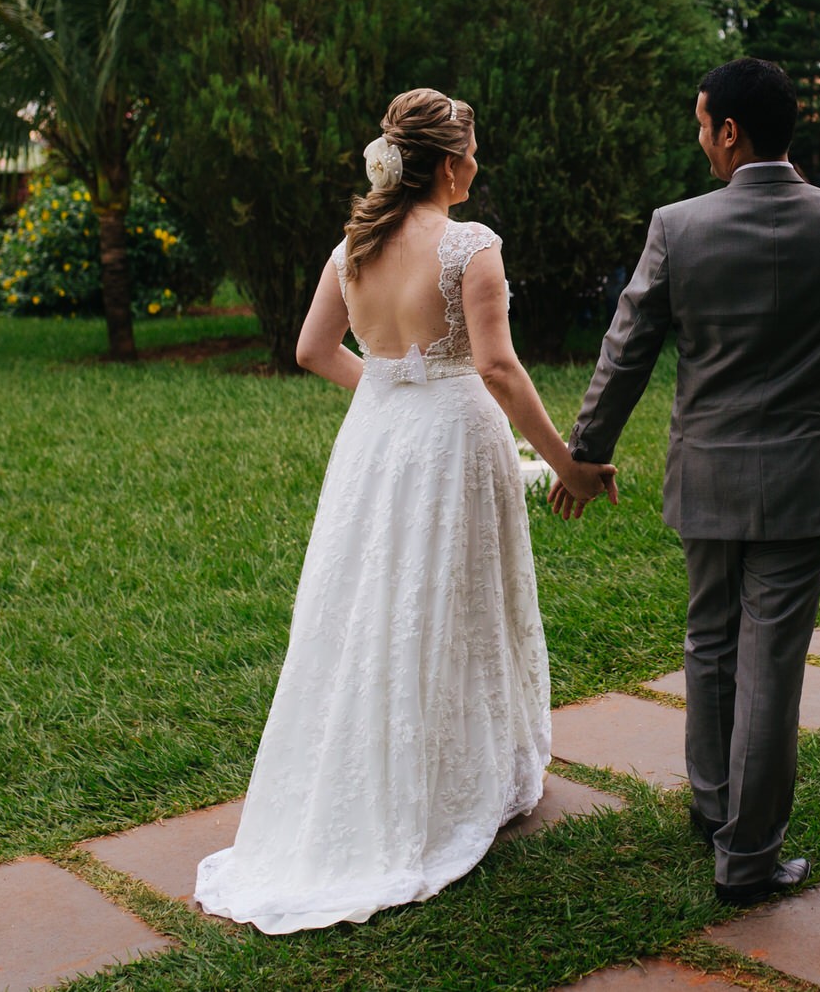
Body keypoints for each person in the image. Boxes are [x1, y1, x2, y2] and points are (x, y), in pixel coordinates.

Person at [195, 89, 616, 934]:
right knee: (456, 603)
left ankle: (372, 773)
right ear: (452, 162)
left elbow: (315, 350)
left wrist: (391, 388)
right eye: (473, 152)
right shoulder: (471, 245)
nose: (476, 167)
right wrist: (568, 460)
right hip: (456, 442)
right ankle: (452, 784)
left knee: (371, 606)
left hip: (378, 440)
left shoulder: (350, 247)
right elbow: (498, 368)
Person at [556, 58, 820, 907]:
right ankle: (747, 852)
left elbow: (625, 351)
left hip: (707, 476)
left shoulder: (678, 227)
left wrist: (586, 449)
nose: (698, 135)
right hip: (802, 481)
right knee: (770, 665)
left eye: (701, 121)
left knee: (710, 640)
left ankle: (716, 806)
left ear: (730, 132)